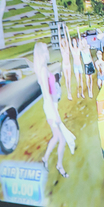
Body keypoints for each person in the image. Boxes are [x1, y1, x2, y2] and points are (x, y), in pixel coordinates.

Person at [35, 40, 76, 179]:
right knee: (61, 139)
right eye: (46, 50)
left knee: (56, 137)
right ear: (42, 53)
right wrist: (55, 114)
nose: (48, 51)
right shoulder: (42, 70)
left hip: (52, 105)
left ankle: (45, 159)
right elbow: (47, 95)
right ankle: (59, 165)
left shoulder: (43, 68)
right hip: (50, 107)